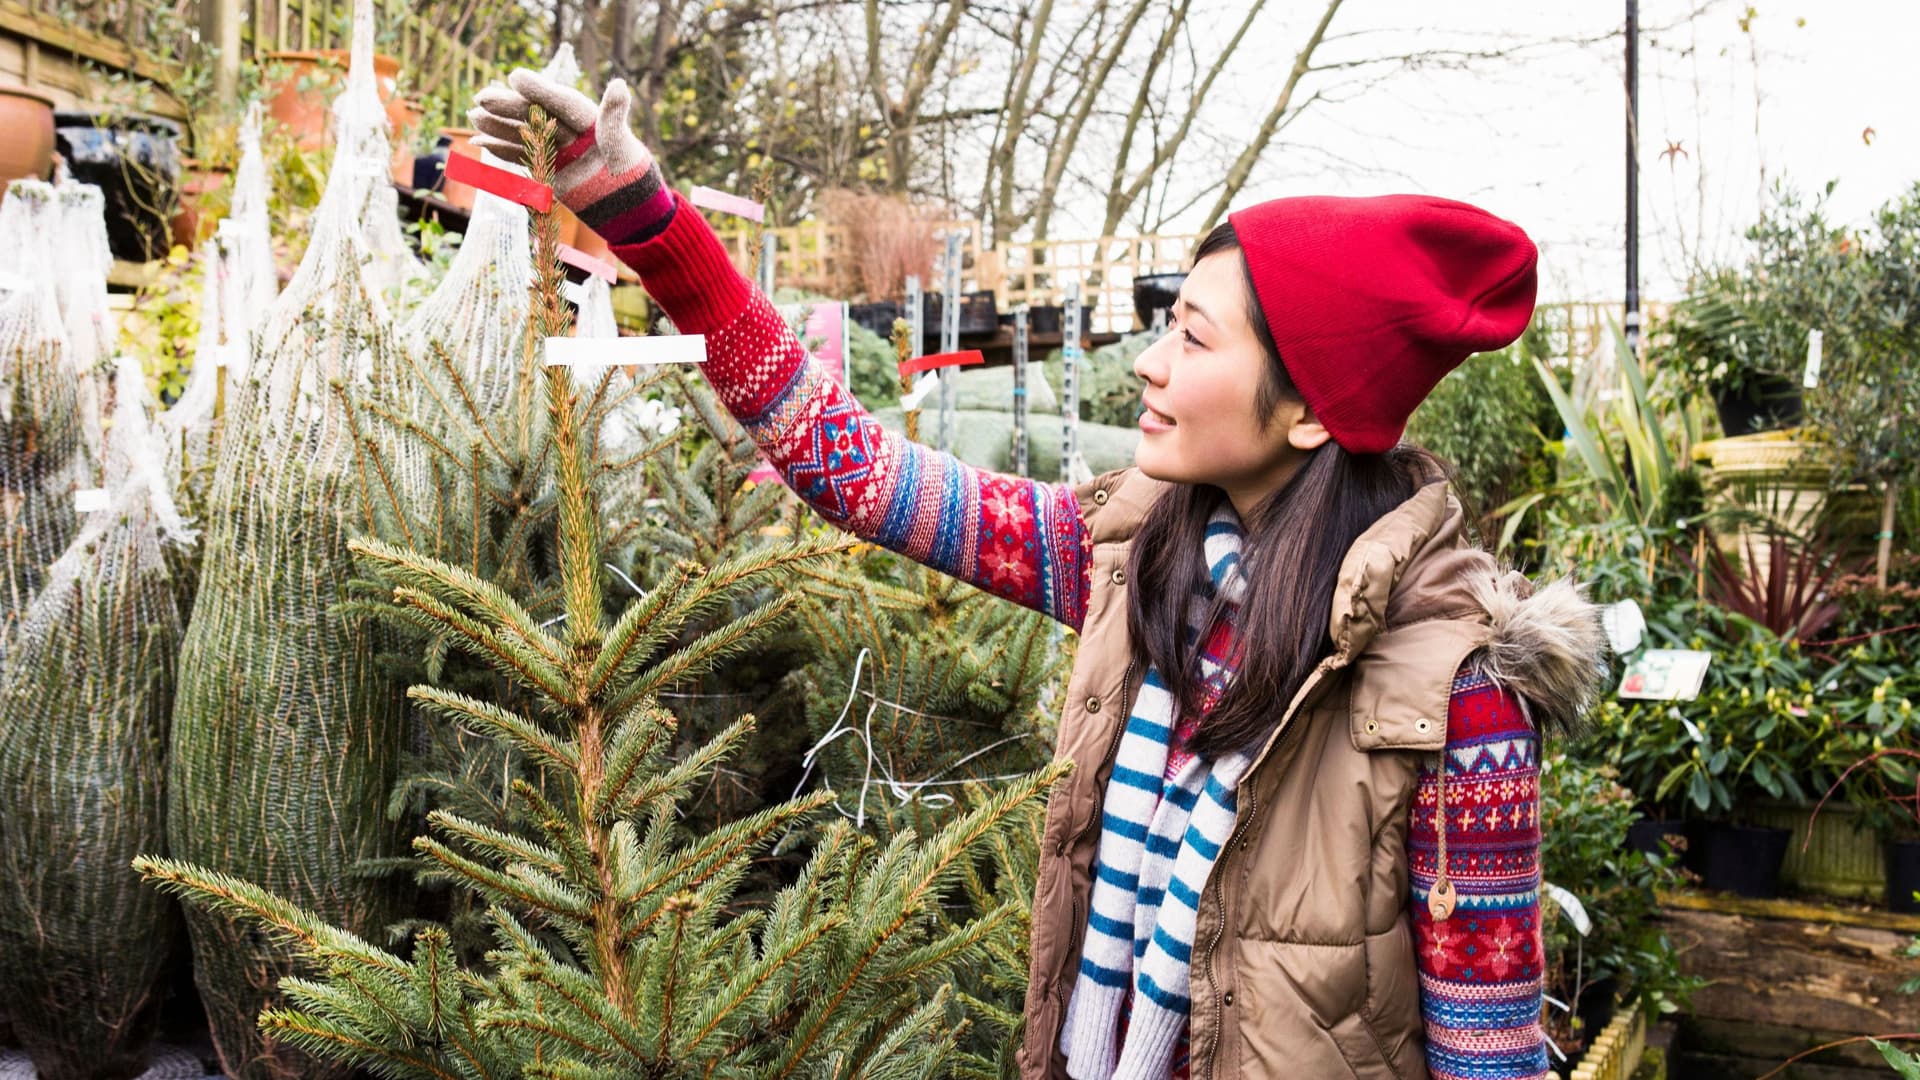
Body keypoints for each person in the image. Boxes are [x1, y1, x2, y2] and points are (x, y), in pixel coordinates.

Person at [470, 71, 1609, 1080]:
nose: (1153, 366)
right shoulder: (1129, 559)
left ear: (1312, 409)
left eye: (1197, 341)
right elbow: (856, 472)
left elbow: (1489, 1054)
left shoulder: (1455, 698)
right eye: (1167, 326)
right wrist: (638, 210)